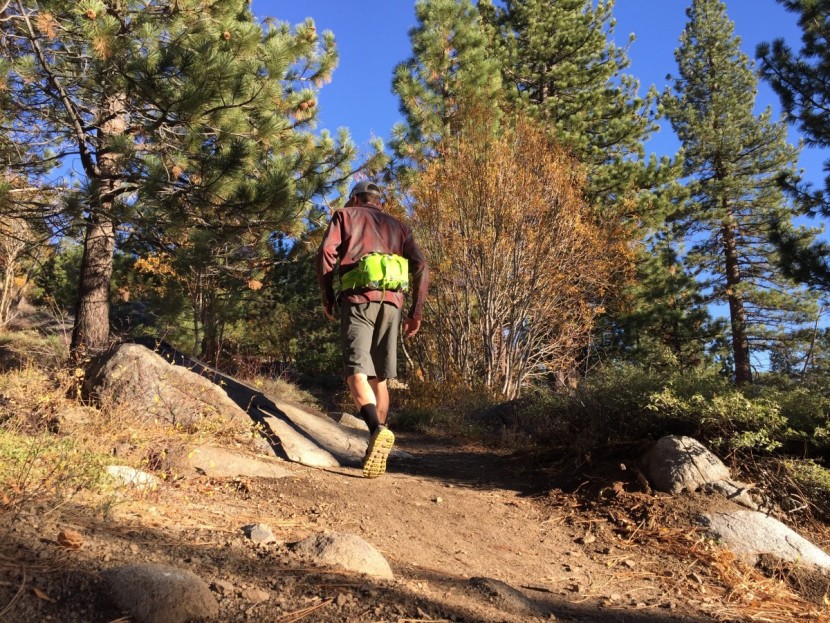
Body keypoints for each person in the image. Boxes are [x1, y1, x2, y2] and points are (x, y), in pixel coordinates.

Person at [315, 181, 429, 478]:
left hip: (358, 298)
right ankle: (374, 449)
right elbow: (421, 267)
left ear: (355, 198)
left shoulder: (345, 215)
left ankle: (376, 430)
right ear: (380, 202)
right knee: (380, 378)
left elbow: (326, 254)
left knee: (355, 372)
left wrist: (328, 296)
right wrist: (416, 312)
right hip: (393, 303)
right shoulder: (400, 226)